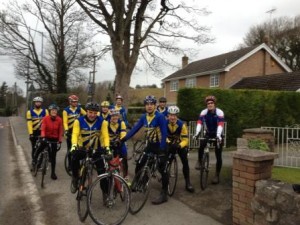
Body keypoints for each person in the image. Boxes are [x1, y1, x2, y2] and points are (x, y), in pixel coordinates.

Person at [121, 95, 169, 205]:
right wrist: (123, 139)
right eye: (147, 104)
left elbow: (164, 133)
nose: (149, 106)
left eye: (151, 104)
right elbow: (134, 129)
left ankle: (164, 194)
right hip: (150, 145)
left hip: (161, 145)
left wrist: (162, 150)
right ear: (145, 106)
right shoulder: (143, 117)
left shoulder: (160, 116)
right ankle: (139, 182)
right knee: (140, 163)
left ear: (155, 105)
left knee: (163, 169)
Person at [70, 102, 111, 193]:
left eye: (95, 113)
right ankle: (75, 177)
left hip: (96, 149)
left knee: (102, 172)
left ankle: (106, 193)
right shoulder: (78, 121)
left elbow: (105, 136)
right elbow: (75, 134)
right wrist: (73, 145)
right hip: (82, 148)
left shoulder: (103, 122)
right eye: (90, 112)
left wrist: (107, 148)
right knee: (73, 158)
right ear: (86, 111)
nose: (92, 115)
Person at [193, 95, 225, 184]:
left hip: (218, 133)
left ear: (214, 104)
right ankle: (199, 161)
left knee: (218, 155)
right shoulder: (204, 112)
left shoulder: (219, 112)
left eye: (211, 103)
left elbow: (221, 124)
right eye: (208, 103)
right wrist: (196, 133)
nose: (209, 104)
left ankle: (217, 175)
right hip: (208, 133)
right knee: (201, 144)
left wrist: (218, 135)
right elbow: (199, 123)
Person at [166, 106, 194, 193]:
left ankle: (188, 183)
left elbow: (186, 140)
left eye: (174, 115)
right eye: (171, 115)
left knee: (185, 162)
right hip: (170, 144)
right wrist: (169, 142)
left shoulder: (182, 125)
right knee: (166, 162)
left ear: (177, 116)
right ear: (168, 116)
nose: (172, 117)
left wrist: (179, 146)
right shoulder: (164, 123)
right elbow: (162, 136)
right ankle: (165, 181)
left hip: (179, 145)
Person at [33, 104, 63, 180]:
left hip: (54, 139)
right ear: (50, 111)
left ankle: (53, 173)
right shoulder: (45, 118)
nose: (54, 111)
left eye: (55, 110)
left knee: (53, 157)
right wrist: (43, 137)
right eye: (52, 110)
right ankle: (35, 157)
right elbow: (43, 128)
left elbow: (60, 131)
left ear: (57, 112)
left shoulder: (59, 119)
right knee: (41, 146)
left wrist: (59, 141)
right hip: (45, 137)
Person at [62, 95, 86, 172]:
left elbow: (86, 115)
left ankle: (79, 163)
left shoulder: (79, 109)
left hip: (78, 131)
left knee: (79, 148)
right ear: (70, 102)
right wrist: (66, 130)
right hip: (69, 131)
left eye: (76, 102)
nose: (75, 103)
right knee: (70, 149)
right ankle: (70, 164)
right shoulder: (66, 110)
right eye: (74, 102)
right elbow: (65, 122)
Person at [107, 109, 129, 182]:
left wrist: (120, 140)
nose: (115, 117)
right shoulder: (106, 123)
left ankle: (125, 176)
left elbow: (123, 133)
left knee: (124, 157)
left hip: (119, 143)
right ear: (110, 116)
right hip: (109, 143)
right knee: (107, 159)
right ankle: (107, 173)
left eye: (116, 115)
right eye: (113, 116)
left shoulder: (121, 123)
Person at [27, 96, 49, 168]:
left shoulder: (45, 111)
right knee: (34, 148)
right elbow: (29, 123)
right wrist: (31, 133)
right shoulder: (29, 112)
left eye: (39, 102)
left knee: (43, 147)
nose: (38, 103)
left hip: (43, 132)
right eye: (37, 102)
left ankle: (40, 163)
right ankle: (34, 162)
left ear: (41, 103)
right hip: (34, 132)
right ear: (34, 103)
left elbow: (48, 122)